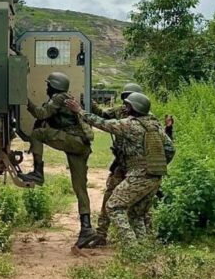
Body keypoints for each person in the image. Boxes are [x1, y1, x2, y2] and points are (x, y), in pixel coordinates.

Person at [68, 92, 167, 245]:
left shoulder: (130, 125)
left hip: (139, 175)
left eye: (128, 105)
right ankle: (144, 248)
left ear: (135, 108)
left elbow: (103, 123)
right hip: (156, 176)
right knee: (136, 215)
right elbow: (170, 149)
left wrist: (80, 111)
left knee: (114, 206)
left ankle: (132, 247)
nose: (125, 108)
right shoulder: (155, 125)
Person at [19, 72, 99, 248]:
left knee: (37, 134)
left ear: (54, 86)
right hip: (81, 145)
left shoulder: (59, 97)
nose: (46, 88)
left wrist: (24, 100)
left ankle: (38, 172)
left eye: (48, 85)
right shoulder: (65, 97)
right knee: (80, 188)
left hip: (74, 141)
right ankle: (86, 229)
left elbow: (41, 114)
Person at [92, 83, 141, 246]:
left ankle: (143, 239)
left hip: (138, 166)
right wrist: (87, 102)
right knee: (109, 196)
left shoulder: (145, 117)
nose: (127, 103)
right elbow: (102, 115)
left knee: (141, 207)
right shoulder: (119, 112)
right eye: (126, 98)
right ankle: (101, 234)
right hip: (121, 163)